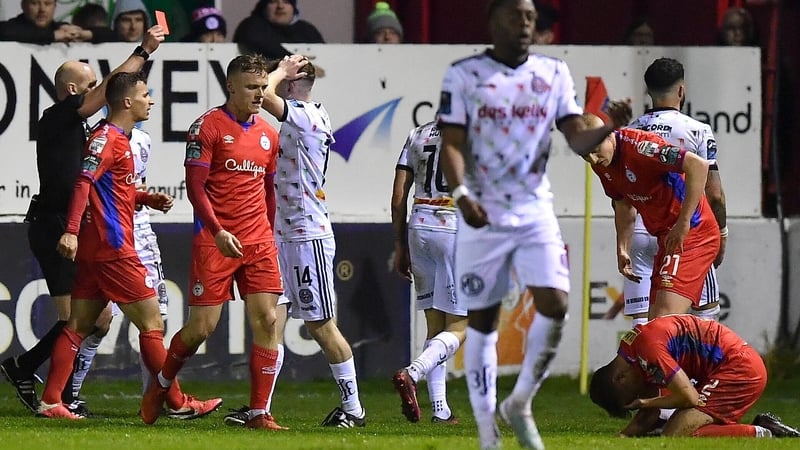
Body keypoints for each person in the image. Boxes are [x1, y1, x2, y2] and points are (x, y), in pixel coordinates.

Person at [436, 1, 631, 448]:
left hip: (533, 207)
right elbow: (452, 142)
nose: (526, 23)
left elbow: (577, 136)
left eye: (530, 17)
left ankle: (519, 401)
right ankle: (488, 433)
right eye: (516, 15)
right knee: (482, 318)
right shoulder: (463, 74)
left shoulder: (553, 73)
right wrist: (461, 195)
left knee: (557, 303)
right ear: (493, 21)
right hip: (482, 208)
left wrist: (607, 128)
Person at [1, 26, 165, 416]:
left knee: (95, 320)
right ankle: (49, 389)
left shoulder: (85, 130)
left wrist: (141, 197)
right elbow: (112, 86)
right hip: (54, 223)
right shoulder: (57, 116)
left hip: (69, 223)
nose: (100, 91)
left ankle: (43, 383)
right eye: (91, 85)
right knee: (81, 321)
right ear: (75, 91)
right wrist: (142, 50)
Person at [39, 71, 221, 421]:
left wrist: (145, 197)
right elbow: (83, 183)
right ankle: (177, 402)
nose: (150, 100)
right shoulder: (107, 138)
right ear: (126, 101)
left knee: (77, 326)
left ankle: (51, 401)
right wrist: (71, 231)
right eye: (145, 95)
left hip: (97, 250)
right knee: (152, 324)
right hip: (114, 248)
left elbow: (112, 189)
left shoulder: (115, 139)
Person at [143, 54, 286, 430]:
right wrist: (218, 230)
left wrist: (267, 233)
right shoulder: (206, 127)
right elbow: (195, 188)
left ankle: (258, 412)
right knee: (202, 328)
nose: (259, 95)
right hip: (215, 240)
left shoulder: (269, 134)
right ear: (231, 87)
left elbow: (268, 191)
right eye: (252, 88)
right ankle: (161, 385)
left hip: (257, 242)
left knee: (268, 319)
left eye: (263, 87)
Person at [259, 54, 366, 428]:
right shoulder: (299, 116)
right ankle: (261, 409)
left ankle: (354, 409)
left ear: (290, 84)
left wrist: (279, 72)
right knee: (271, 321)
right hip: (282, 233)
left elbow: (263, 97)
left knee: (321, 325)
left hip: (308, 235)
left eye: (278, 77)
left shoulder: (308, 114)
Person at [581, 114, 721, 321]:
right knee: (653, 326)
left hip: (693, 233)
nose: (593, 160)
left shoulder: (641, 148)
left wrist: (683, 222)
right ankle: (694, 351)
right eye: (585, 156)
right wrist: (622, 247)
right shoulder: (601, 163)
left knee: (661, 323)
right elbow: (622, 203)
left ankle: (724, 352)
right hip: (666, 237)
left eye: (594, 151)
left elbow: (698, 166)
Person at [623, 57, 728, 326]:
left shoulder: (629, 132)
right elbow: (714, 194)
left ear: (648, 92)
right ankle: (692, 368)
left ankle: (645, 366)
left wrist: (621, 244)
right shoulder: (697, 130)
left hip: (640, 230)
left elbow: (622, 194)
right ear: (681, 90)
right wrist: (722, 234)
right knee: (704, 318)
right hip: (685, 231)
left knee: (643, 323)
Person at [590, 314, 800, 438]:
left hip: (739, 368)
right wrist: (624, 436)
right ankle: (758, 427)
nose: (637, 394)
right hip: (727, 367)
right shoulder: (631, 353)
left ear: (620, 379)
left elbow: (688, 397)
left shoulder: (648, 350)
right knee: (680, 426)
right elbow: (651, 414)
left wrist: (644, 401)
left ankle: (765, 432)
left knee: (678, 433)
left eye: (631, 396)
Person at [390, 121, 465, 424]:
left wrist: (399, 244)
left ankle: (440, 409)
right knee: (461, 325)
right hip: (454, 225)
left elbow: (398, 197)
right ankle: (413, 373)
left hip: (419, 224)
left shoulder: (417, 133)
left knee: (436, 327)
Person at [233, 0, 324, 60]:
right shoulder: (251, 26)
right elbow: (254, 40)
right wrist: (291, 59)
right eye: (273, 1)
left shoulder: (307, 30)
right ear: (264, 7)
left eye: (286, 1)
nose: (280, 6)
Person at [0, 0, 88, 44]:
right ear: (23, 5)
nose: (42, 9)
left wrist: (82, 34)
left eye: (47, 3)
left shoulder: (62, 29)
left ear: (55, 6)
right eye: (34, 3)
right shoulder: (8, 28)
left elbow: (101, 33)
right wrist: (52, 36)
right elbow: (6, 33)